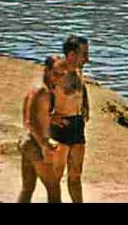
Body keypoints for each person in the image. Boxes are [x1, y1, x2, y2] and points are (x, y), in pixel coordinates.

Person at [18, 55, 66, 202]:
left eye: (61, 75)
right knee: (53, 188)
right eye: (55, 74)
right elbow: (30, 121)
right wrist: (44, 144)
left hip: (27, 142)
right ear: (47, 70)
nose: (58, 78)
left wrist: (51, 118)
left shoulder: (36, 89)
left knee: (27, 189)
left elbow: (29, 114)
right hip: (35, 144)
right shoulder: (42, 91)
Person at [53, 36, 88, 202]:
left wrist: (85, 107)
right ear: (72, 55)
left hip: (77, 125)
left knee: (76, 175)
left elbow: (82, 89)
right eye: (84, 54)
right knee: (55, 176)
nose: (87, 59)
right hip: (61, 127)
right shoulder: (58, 74)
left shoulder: (79, 71)